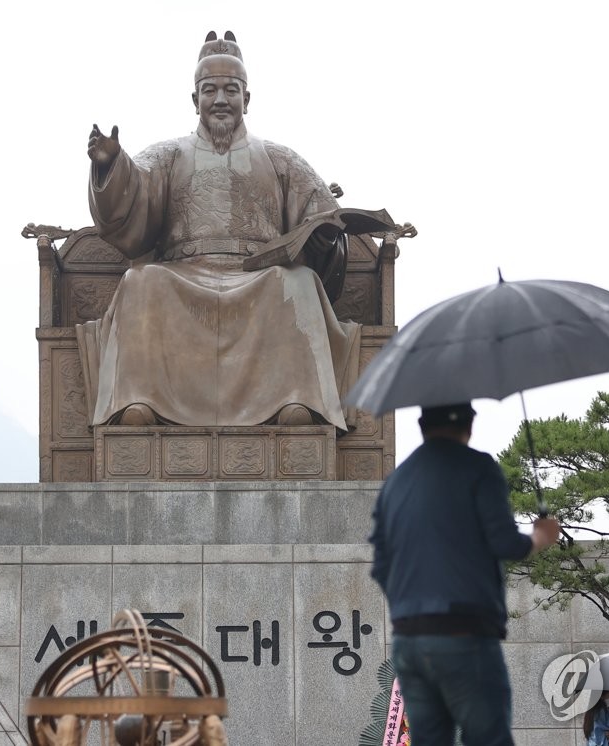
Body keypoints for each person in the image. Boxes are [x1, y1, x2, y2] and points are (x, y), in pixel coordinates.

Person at [77, 31, 360, 429]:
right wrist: (111, 165)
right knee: (140, 282)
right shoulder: (167, 154)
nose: (221, 100)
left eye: (231, 90)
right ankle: (138, 401)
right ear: (195, 100)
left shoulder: (281, 159)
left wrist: (327, 233)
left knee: (297, 284)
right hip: (183, 272)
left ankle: (296, 400)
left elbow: (321, 215)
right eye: (210, 90)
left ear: (248, 98)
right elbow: (132, 200)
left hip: (260, 274)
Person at [369, 402, 561, 746]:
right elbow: (505, 543)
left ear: (422, 424)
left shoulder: (395, 483)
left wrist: (411, 604)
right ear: (469, 425)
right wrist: (541, 537)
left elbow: (381, 567)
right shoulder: (478, 467)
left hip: (409, 639)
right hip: (464, 632)